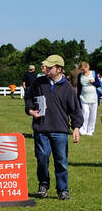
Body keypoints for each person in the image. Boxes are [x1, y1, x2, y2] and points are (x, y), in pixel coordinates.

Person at [24, 53, 82, 199]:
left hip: (60, 130)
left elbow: (75, 110)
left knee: (61, 161)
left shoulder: (68, 88)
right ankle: (43, 184)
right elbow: (29, 98)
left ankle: (63, 190)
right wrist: (31, 110)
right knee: (42, 158)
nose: (46, 69)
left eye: (50, 67)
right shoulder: (38, 82)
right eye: (46, 66)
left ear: (59, 69)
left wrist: (76, 127)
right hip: (41, 129)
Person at [78, 60, 98, 136]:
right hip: (83, 97)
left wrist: (93, 82)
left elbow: (98, 84)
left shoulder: (93, 73)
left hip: (93, 98)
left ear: (87, 67)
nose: (82, 71)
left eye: (83, 69)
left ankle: (90, 131)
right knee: (85, 113)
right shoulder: (80, 75)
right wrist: (77, 98)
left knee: (93, 115)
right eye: (81, 69)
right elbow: (79, 88)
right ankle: (83, 130)